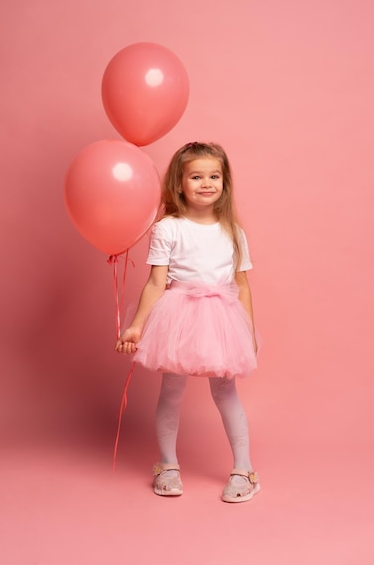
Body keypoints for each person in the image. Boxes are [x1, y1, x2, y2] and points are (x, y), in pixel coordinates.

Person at [115, 141, 259, 503]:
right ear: (179, 184)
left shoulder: (233, 231)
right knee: (172, 389)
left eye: (214, 176)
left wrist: (249, 330)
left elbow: (241, 284)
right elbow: (155, 282)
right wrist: (136, 325)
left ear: (225, 183)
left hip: (221, 317)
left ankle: (244, 469)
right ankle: (167, 464)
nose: (206, 183)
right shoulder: (168, 228)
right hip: (178, 315)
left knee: (225, 391)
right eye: (196, 176)